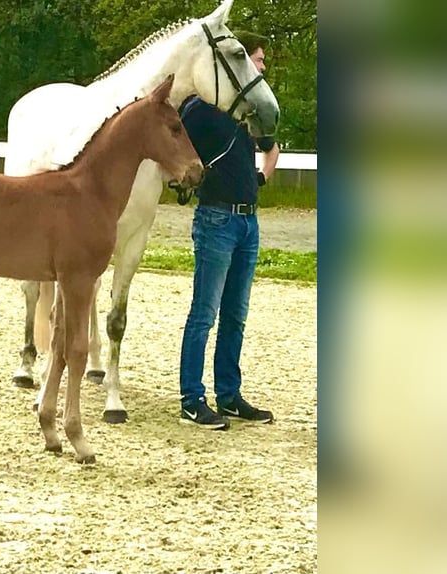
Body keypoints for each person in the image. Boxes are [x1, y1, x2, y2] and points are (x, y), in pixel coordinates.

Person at [176, 30, 280, 430]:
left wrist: (261, 181)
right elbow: (173, 145)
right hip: (216, 218)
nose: (262, 66)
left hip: (248, 220)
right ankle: (191, 398)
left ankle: (229, 395)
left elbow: (272, 148)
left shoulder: (248, 112)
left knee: (235, 315)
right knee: (204, 313)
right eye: (257, 59)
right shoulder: (201, 111)